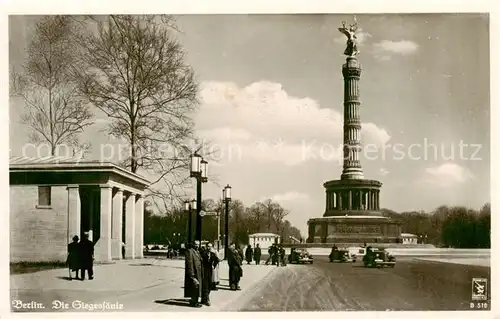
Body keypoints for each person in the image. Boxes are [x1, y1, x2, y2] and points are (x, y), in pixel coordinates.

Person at [184, 241, 203, 307]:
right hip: (194, 273)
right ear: (193, 245)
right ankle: (194, 302)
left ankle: (195, 301)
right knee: (195, 287)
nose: (197, 246)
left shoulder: (198, 251)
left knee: (197, 288)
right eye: (196, 244)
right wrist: (192, 275)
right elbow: (190, 264)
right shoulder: (190, 251)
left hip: (199, 272)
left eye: (198, 244)